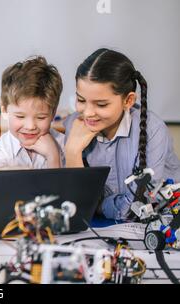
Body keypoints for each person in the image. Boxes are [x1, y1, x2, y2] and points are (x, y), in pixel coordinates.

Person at [64, 48, 180, 220]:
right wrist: (72, 153)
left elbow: (137, 208)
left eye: (101, 104)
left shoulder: (153, 130)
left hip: (162, 223)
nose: (87, 112)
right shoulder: (76, 123)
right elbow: (75, 207)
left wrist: (96, 205)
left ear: (128, 100)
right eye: (81, 100)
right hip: (103, 229)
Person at [0, 56, 64, 168]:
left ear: (53, 113)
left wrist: (53, 156)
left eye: (41, 117)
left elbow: (68, 185)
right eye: (20, 116)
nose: (30, 126)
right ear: (4, 109)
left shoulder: (64, 144)